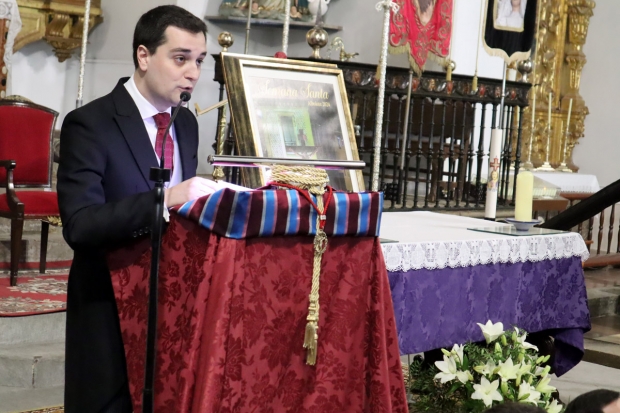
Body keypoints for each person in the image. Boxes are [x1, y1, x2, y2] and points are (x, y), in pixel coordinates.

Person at [57, 6, 218, 413]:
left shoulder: (186, 124)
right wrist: (164, 200)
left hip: (174, 302)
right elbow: (79, 226)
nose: (193, 73)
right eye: (180, 58)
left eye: (199, 61)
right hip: (108, 301)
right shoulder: (90, 124)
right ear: (144, 56)